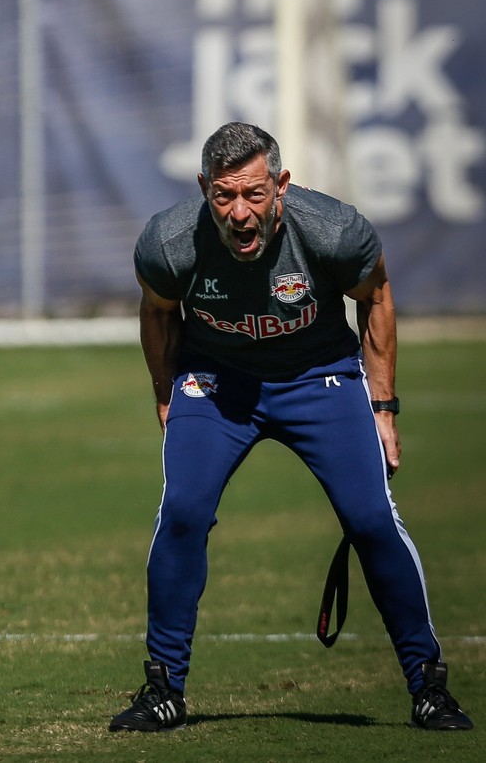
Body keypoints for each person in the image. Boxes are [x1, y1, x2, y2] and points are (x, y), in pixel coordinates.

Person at [109, 122, 473, 733]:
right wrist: (165, 394)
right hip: (215, 382)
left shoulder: (334, 232)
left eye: (254, 194)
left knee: (370, 519)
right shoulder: (168, 243)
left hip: (320, 376)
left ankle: (428, 685)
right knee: (183, 513)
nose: (240, 213)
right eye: (224, 196)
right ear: (204, 190)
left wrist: (382, 408)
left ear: (282, 184)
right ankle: (164, 688)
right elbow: (158, 312)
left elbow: (376, 295)